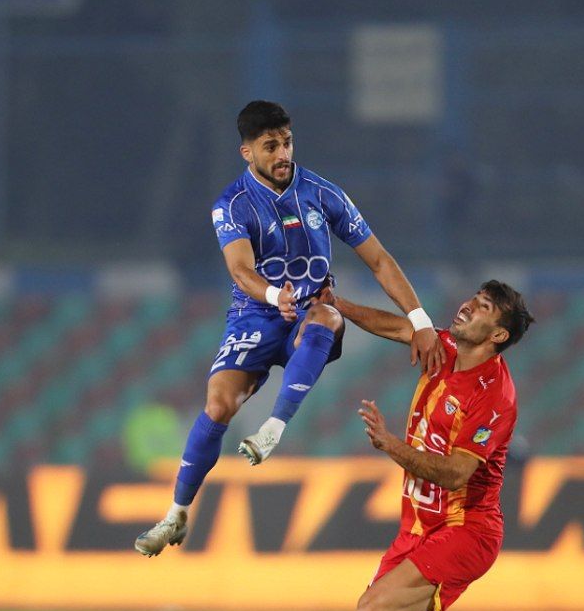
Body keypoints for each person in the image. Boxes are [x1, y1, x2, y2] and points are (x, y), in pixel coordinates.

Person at [134, 100, 444, 557]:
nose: (283, 154)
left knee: (328, 316)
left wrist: (420, 320)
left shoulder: (322, 194)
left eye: (287, 142)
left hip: (310, 312)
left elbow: (379, 260)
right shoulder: (231, 205)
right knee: (218, 405)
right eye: (270, 146)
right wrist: (273, 295)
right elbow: (240, 270)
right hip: (255, 314)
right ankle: (176, 515)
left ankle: (274, 428)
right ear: (247, 152)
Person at [328, 280, 534, 611]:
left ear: (498, 335)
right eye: (474, 298)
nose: (468, 306)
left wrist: (391, 445)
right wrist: (336, 303)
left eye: (483, 307)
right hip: (418, 527)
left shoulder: (494, 394)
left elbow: (458, 473)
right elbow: (397, 327)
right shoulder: (444, 349)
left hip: (466, 530)